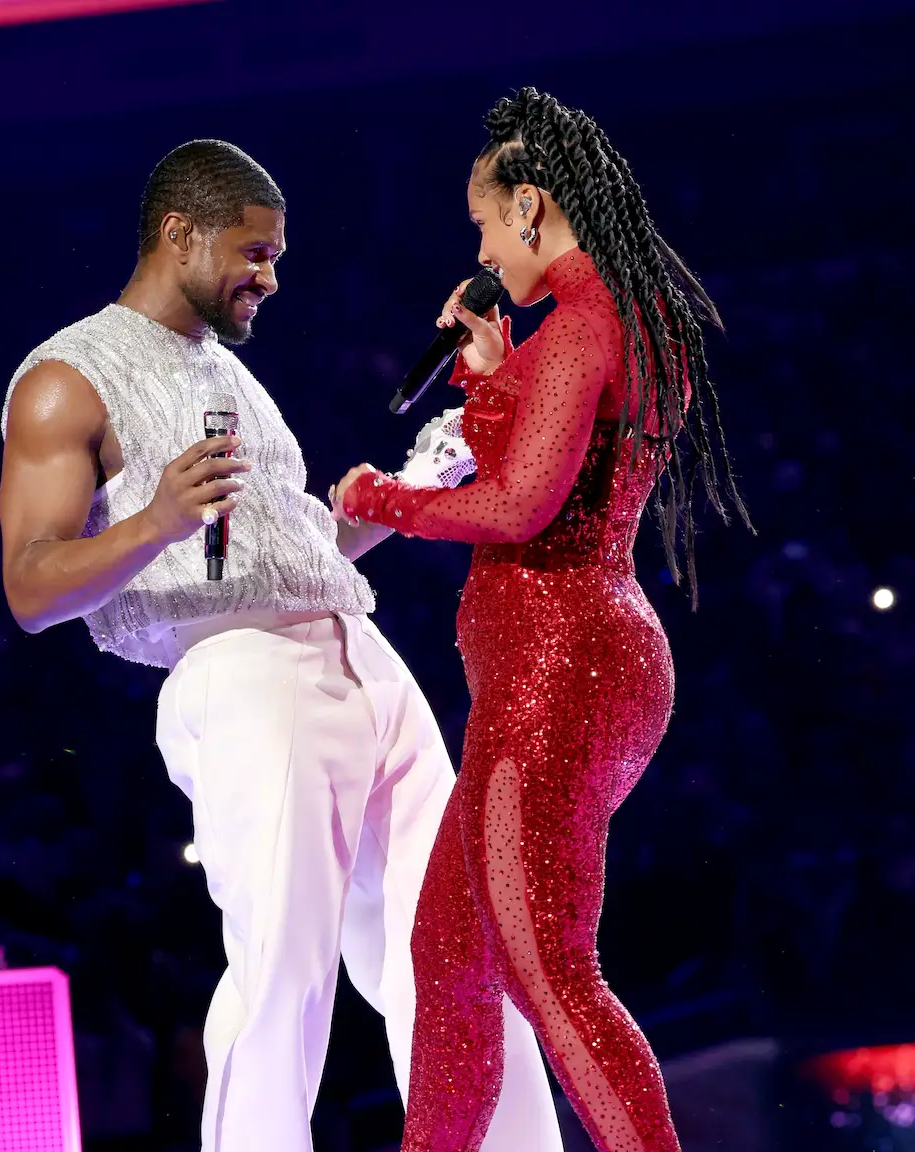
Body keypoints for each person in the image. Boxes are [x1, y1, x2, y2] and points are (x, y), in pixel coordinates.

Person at [0, 140, 564, 1152]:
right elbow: (30, 588)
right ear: (181, 234)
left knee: (463, 952)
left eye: (277, 256)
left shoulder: (226, 373)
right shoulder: (63, 378)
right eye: (254, 254)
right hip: (245, 673)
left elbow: (295, 549)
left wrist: (426, 478)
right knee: (284, 976)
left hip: (359, 655)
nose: (270, 277)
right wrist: (156, 520)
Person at [332, 89, 751, 1151]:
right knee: (452, 963)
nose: (477, 247)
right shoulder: (616, 323)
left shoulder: (584, 329)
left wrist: (384, 501)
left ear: (528, 207)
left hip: (555, 676)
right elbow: (547, 469)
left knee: (544, 970)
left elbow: (518, 506)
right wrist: (486, 374)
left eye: (481, 225)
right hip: (573, 665)